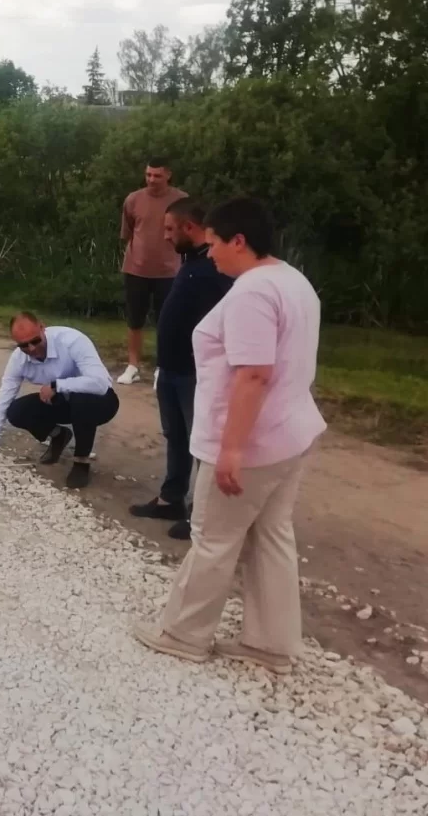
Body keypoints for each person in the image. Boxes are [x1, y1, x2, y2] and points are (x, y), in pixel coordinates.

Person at [134, 199, 325, 675]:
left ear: (239, 240)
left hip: (254, 442)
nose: (211, 252)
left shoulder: (252, 293)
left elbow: (253, 374)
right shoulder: (292, 280)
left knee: (213, 538)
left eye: (215, 242)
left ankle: (183, 634)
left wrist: (232, 448)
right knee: (271, 535)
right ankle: (272, 643)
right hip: (292, 432)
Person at [129, 198, 232, 540]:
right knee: (175, 435)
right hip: (171, 368)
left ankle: (202, 513)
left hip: (195, 372)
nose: (166, 236)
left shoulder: (215, 267)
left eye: (170, 229)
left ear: (190, 227)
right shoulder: (190, 262)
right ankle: (171, 498)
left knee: (200, 442)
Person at [0, 313, 120, 489]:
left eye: (35, 341)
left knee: (81, 398)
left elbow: (100, 383)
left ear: (43, 328)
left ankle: (81, 461)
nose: (31, 348)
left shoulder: (72, 340)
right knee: (16, 411)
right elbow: (3, 398)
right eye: (23, 345)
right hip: (61, 402)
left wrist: (57, 385)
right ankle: (59, 435)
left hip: (100, 402)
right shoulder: (18, 359)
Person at [118, 157, 187, 386]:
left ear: (168, 175)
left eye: (157, 175)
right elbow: (128, 232)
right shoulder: (133, 199)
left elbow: (188, 234)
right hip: (136, 269)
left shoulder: (181, 200)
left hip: (169, 271)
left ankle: (162, 368)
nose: (151, 179)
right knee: (134, 320)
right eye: (148, 174)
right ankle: (133, 366)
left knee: (166, 322)